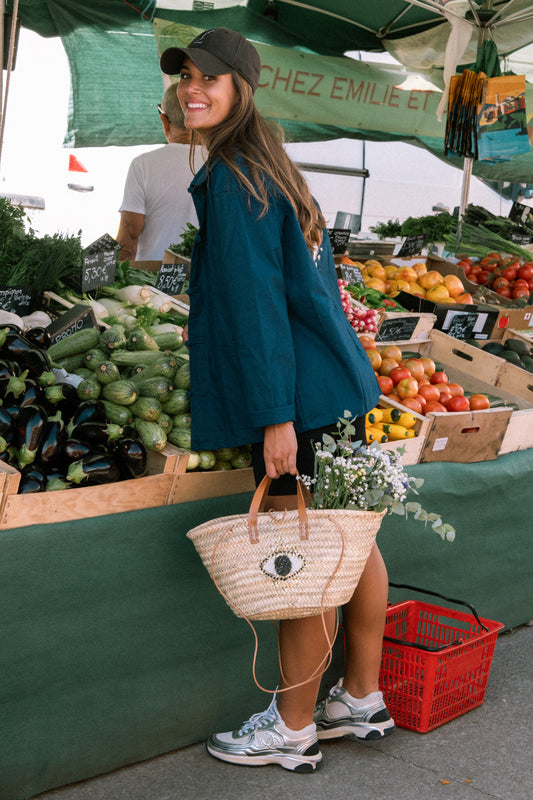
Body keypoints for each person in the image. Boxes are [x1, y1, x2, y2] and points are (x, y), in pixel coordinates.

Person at [160, 27, 394, 774]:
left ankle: (291, 726)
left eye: (210, 79)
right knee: (352, 547)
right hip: (333, 383)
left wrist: (273, 417)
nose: (192, 89)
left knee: (309, 558)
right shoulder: (272, 167)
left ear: (242, 89)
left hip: (300, 397)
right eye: (186, 77)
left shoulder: (233, 178)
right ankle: (358, 698)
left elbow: (259, 308)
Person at [116, 83, 198, 263]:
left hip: (151, 286)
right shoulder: (224, 166)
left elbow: (127, 240)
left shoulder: (143, 165)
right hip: (206, 283)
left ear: (164, 121)